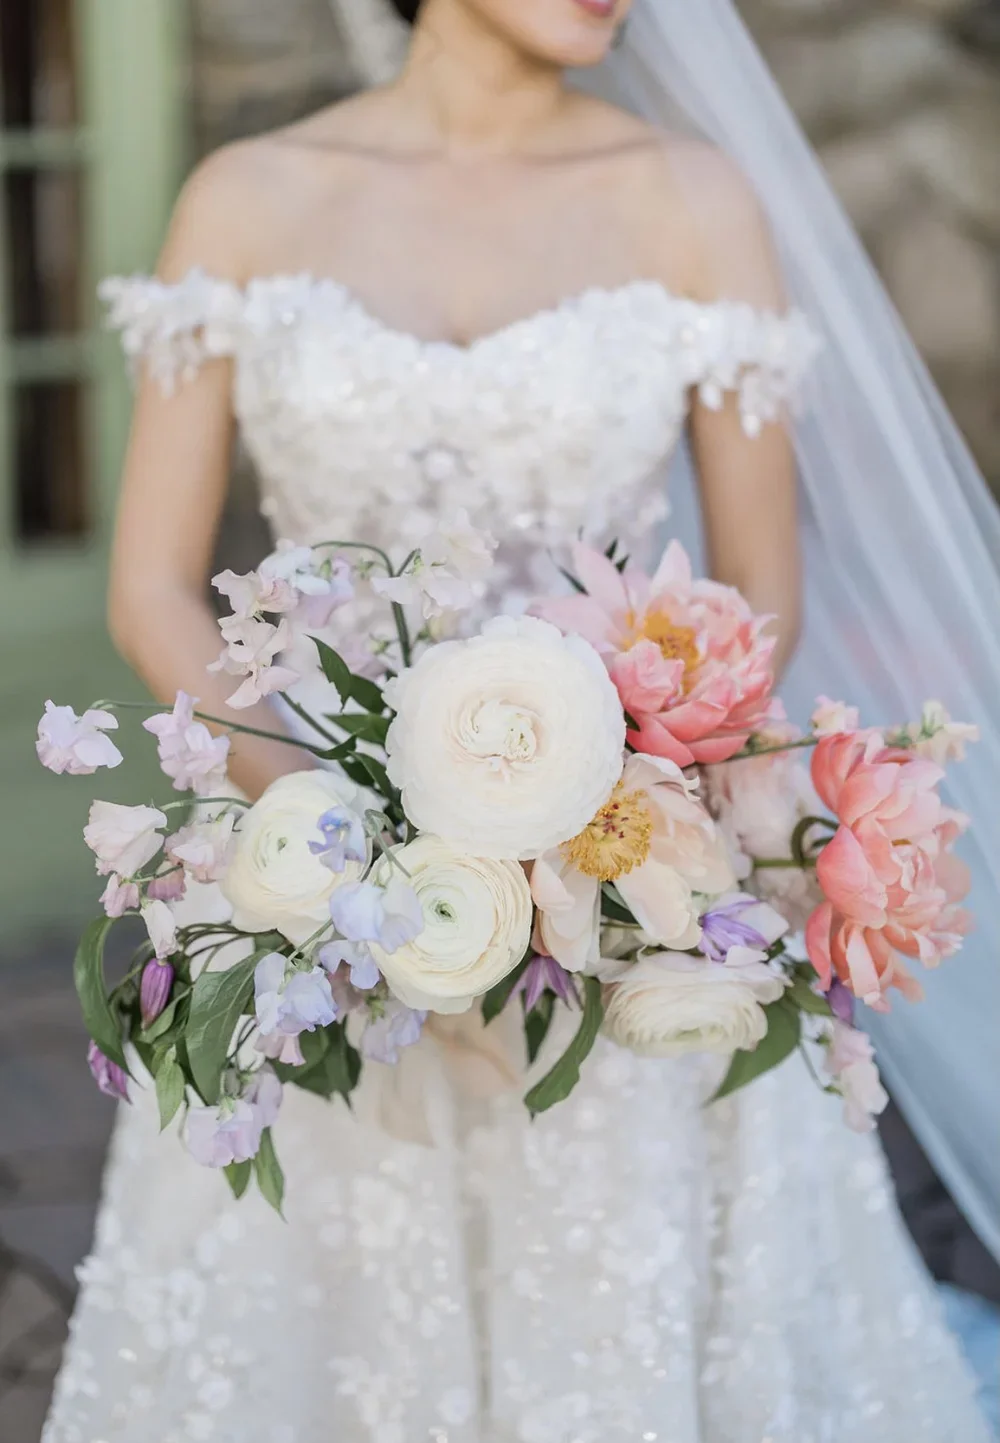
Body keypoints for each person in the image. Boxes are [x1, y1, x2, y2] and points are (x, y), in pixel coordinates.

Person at [43, 1, 996, 1439]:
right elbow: (153, 590)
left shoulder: (692, 199)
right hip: (316, 897)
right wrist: (341, 825)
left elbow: (754, 600)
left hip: (619, 885)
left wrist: (585, 821)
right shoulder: (243, 200)